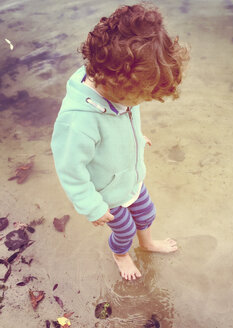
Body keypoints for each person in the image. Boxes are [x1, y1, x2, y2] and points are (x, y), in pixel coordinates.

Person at [51, 3, 189, 280]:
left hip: (131, 178)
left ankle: (147, 243)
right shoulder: (77, 121)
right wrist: (92, 206)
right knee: (124, 230)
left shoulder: (120, 89)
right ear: (113, 83)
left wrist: (135, 136)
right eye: (137, 99)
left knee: (147, 213)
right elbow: (70, 169)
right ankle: (121, 254)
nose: (138, 105)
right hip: (106, 192)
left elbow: (121, 120)